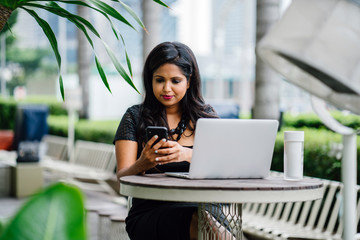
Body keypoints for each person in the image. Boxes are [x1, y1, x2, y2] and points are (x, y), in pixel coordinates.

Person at [114, 41, 228, 240]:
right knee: (201, 222)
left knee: (206, 220)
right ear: (150, 80)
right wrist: (142, 163)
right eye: (159, 80)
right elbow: (121, 178)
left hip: (204, 205)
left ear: (189, 80)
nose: (167, 88)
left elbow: (224, 166)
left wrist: (188, 154)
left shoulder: (206, 117)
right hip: (152, 209)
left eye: (175, 81)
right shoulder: (134, 117)